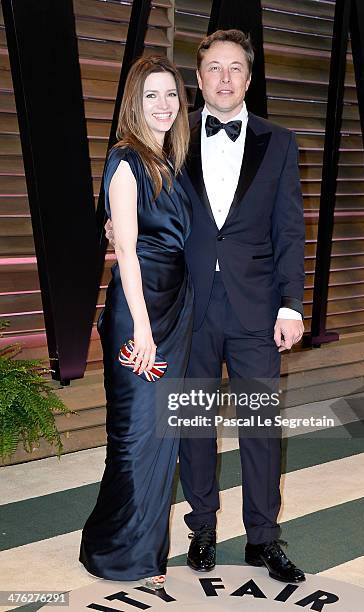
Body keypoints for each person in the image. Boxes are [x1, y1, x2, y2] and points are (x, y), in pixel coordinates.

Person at [106, 29, 306, 584]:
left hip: (257, 312)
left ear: (249, 76)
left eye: (234, 68)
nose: (223, 78)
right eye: (213, 68)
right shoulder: (173, 142)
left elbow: (290, 231)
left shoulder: (281, 142)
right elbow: (144, 207)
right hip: (188, 310)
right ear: (199, 79)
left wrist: (291, 305)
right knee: (195, 425)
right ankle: (203, 530)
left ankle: (264, 537)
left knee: (260, 426)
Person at [79, 55, 193, 589]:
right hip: (139, 317)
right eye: (152, 95)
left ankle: (139, 551)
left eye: (172, 94)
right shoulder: (127, 159)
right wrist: (143, 331)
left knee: (159, 438)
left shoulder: (167, 162)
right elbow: (126, 249)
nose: (164, 105)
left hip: (173, 310)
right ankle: (114, 552)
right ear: (133, 102)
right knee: (134, 435)